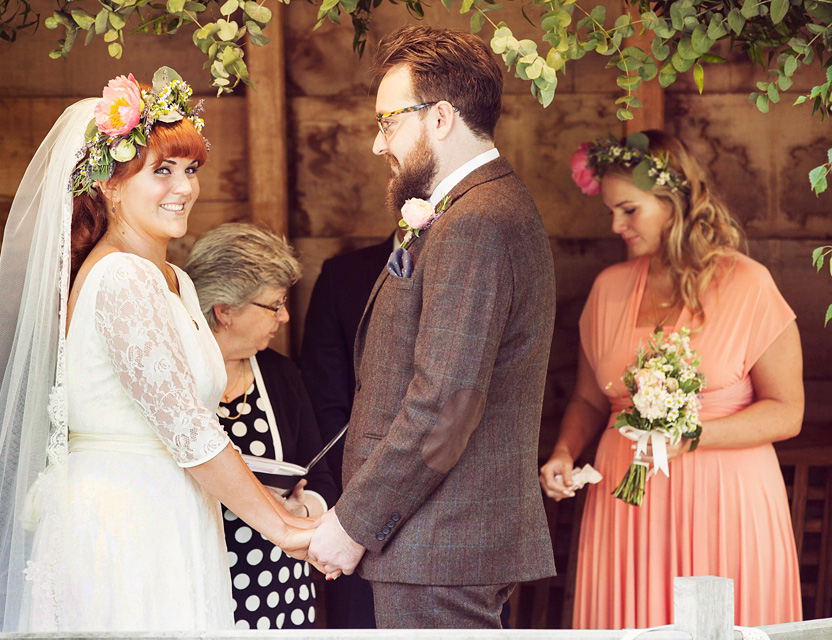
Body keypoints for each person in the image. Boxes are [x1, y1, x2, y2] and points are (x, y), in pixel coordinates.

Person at [0, 68, 317, 633]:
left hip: (173, 513)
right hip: (125, 523)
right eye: (161, 171)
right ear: (110, 185)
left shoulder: (173, 279)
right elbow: (189, 430)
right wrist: (283, 528)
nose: (185, 187)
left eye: (190, 169)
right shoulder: (122, 277)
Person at [307, 26, 557, 629]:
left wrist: (354, 522)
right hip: (439, 543)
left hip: (440, 547)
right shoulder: (473, 210)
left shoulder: (476, 222)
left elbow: (446, 406)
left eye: (388, 122)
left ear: (440, 116)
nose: (377, 144)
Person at [539, 130, 803, 628]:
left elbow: (788, 411)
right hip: (625, 505)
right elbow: (590, 400)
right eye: (612, 211)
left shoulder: (748, 284)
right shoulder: (608, 289)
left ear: (672, 200)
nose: (616, 225)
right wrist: (563, 452)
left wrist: (695, 434)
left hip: (726, 506)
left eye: (628, 210)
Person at [184, 223, 338, 629]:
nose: (285, 317)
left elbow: (321, 477)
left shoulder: (280, 374)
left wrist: (301, 508)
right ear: (225, 311)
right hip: (198, 575)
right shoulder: (176, 376)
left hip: (279, 585)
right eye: (273, 305)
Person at [300, 235, 396, 629]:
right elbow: (327, 406)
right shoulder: (344, 276)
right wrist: (355, 514)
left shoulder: (477, 267)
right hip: (356, 509)